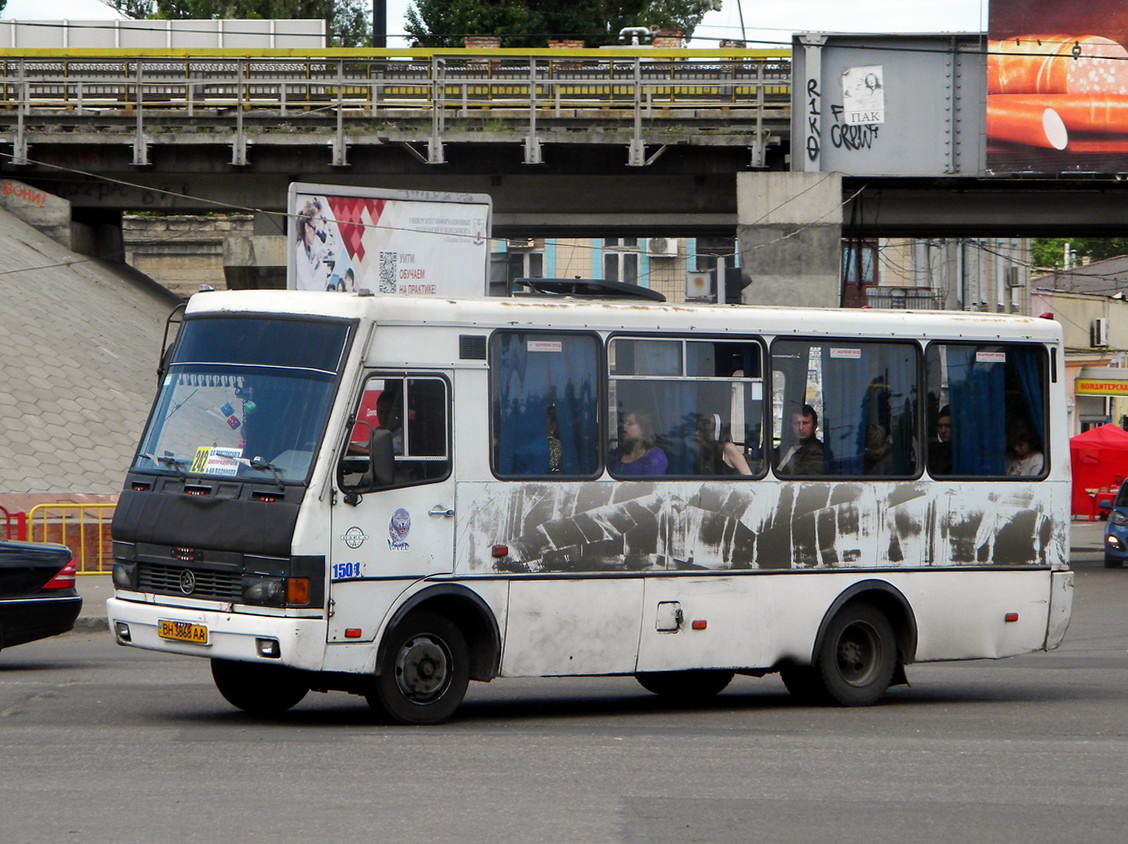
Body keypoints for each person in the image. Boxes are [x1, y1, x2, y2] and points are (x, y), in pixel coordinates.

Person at [609, 411, 668, 476]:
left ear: (643, 429)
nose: (624, 426)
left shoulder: (655, 456)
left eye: (630, 423)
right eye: (624, 422)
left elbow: (650, 484)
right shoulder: (618, 453)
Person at [775, 404, 824, 476]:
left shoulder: (817, 452)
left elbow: (800, 477)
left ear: (814, 426)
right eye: (796, 423)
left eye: (805, 423)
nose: (800, 428)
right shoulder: (786, 446)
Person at [928, 406, 952, 475]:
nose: (943, 431)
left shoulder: (963, 452)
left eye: (948, 426)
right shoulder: (934, 451)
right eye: (940, 426)